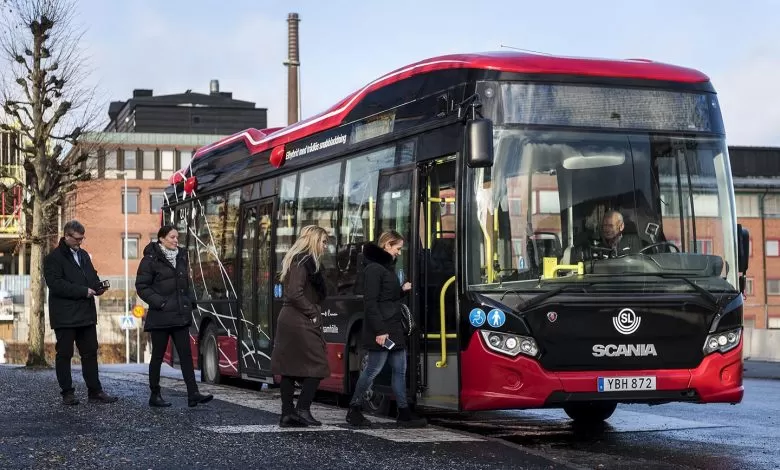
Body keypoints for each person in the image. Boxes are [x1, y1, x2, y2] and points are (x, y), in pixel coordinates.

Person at [346, 230, 427, 428]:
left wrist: (401, 291)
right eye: (397, 248)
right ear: (387, 245)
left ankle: (404, 413)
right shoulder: (374, 269)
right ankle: (354, 409)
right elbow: (371, 303)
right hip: (382, 329)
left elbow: (385, 299)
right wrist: (380, 331)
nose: (399, 252)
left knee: (400, 369)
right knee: (373, 370)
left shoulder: (385, 267)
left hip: (392, 326)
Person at [135, 225, 213, 408]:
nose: (176, 240)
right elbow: (141, 287)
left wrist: (189, 302)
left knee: (186, 355)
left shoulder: (181, 257)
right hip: (160, 317)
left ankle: (193, 394)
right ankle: (155, 394)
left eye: (177, 237)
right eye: (172, 237)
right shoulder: (150, 260)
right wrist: (160, 303)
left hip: (179, 315)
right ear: (161, 239)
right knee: (158, 356)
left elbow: (186, 284)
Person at [43, 220, 118, 405]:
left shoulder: (83, 255)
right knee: (64, 354)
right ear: (66, 236)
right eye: (77, 239)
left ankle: (95, 391)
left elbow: (91, 276)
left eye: (82, 239)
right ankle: (67, 393)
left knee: (90, 353)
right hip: (65, 316)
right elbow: (56, 285)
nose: (80, 242)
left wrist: (97, 287)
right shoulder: (53, 258)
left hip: (86, 315)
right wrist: (83, 291)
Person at [270, 225, 331, 427]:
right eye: (323, 242)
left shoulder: (302, 261)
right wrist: (313, 313)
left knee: (290, 367)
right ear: (313, 241)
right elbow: (295, 293)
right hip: (298, 320)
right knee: (318, 365)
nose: (325, 247)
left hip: (293, 319)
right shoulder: (302, 262)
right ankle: (302, 410)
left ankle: (288, 414)